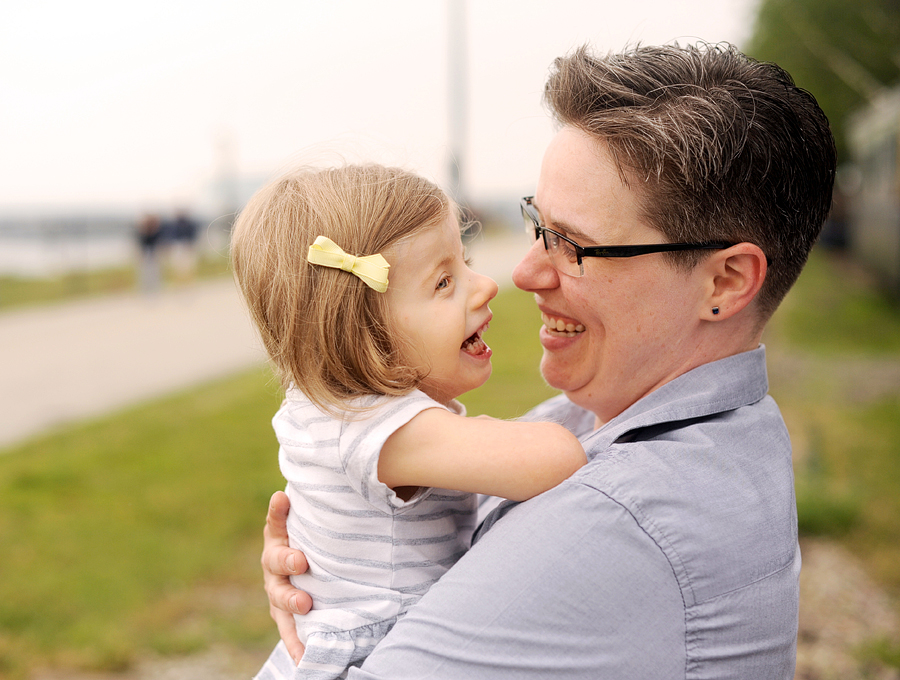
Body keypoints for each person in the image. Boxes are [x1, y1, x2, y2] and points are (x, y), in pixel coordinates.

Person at [260, 42, 836, 678]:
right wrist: (339, 566)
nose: (525, 273)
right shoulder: (608, 417)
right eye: (538, 223)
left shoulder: (620, 520)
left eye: (574, 245)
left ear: (724, 283)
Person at [230, 164, 586, 680]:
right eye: (444, 282)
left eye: (465, 263)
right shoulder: (381, 431)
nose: (484, 286)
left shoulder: (324, 404)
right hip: (375, 655)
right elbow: (558, 459)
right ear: (362, 333)